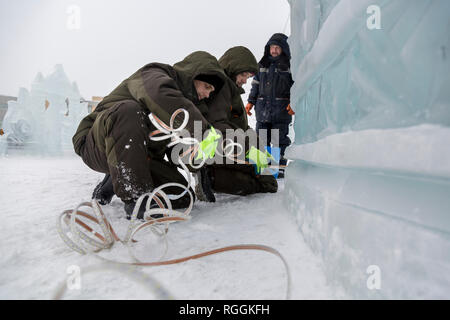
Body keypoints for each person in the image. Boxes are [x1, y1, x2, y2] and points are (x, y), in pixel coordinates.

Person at [73, 51, 226, 219]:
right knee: (129, 111)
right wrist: (203, 132)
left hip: (140, 155)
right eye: (207, 87)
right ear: (193, 76)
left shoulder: (183, 111)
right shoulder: (153, 74)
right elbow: (161, 96)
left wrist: (199, 163)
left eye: (211, 91)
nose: (207, 94)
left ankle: (116, 177)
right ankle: (136, 197)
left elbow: (176, 150)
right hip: (96, 143)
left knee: (181, 195)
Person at [194, 46, 278, 202]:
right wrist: (253, 152)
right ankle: (211, 176)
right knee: (261, 179)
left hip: (230, 145)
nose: (245, 80)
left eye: (249, 76)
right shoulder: (222, 87)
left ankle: (212, 178)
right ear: (232, 67)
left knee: (259, 174)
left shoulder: (232, 91)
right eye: (243, 74)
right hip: (219, 146)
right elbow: (218, 125)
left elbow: (241, 126)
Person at [246, 33, 295, 179]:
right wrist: (250, 102)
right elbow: (255, 85)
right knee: (261, 138)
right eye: (272, 47)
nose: (273, 50)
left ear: (283, 49)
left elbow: (296, 87)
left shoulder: (289, 66)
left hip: (281, 111)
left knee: (279, 140)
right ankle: (260, 166)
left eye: (277, 48)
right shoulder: (262, 65)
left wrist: (294, 103)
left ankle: (279, 167)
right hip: (262, 111)